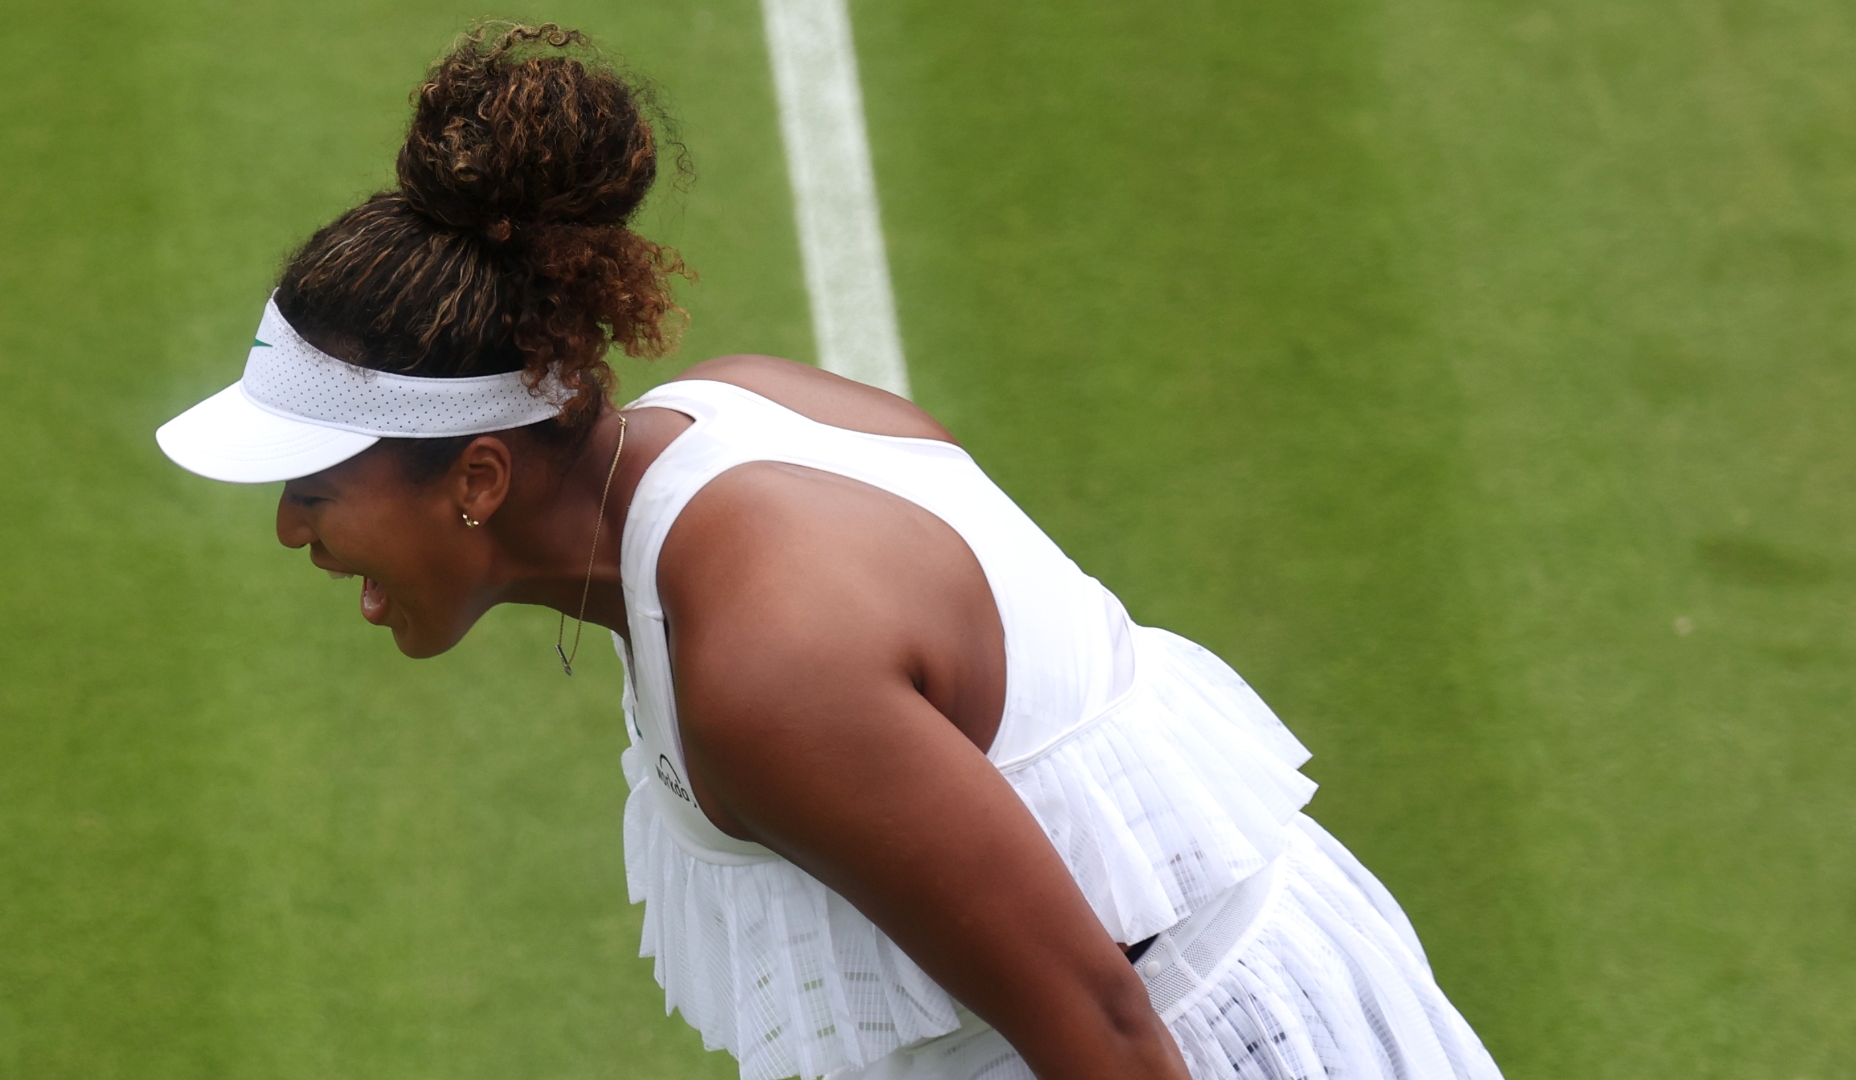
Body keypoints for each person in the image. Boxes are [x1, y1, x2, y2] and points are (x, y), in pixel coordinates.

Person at [154, 22, 1502, 1080]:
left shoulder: (769, 669)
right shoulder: (738, 416)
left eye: (313, 487)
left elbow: (1107, 1032)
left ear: (480, 477)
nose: (288, 527)